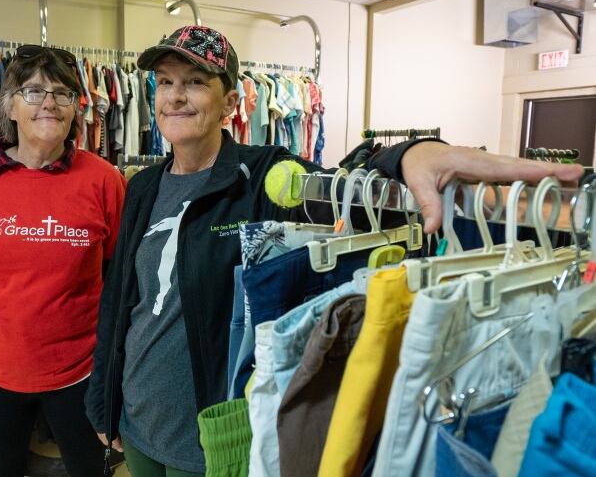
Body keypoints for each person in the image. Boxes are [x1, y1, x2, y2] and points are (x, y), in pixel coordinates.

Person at [85, 25, 583, 476]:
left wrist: (408, 154)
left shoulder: (263, 176)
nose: (175, 96)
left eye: (194, 81)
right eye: (166, 82)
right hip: (137, 415)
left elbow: (346, 192)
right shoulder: (144, 185)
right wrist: (103, 400)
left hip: (207, 431)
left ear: (231, 101)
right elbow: (120, 301)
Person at [0, 45, 126, 477]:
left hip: (80, 371)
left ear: (75, 109)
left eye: (62, 93)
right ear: (9, 105)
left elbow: (119, 279)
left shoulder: (105, 180)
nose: (48, 102)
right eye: (32, 91)